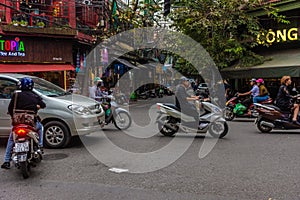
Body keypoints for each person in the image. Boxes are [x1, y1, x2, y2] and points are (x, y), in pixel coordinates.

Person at [1, 77, 46, 169]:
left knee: (11, 139)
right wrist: (36, 106)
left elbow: (10, 109)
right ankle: (40, 146)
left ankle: (6, 161)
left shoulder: (16, 95)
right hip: (30, 124)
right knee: (40, 127)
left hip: (17, 124)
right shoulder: (35, 96)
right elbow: (43, 105)